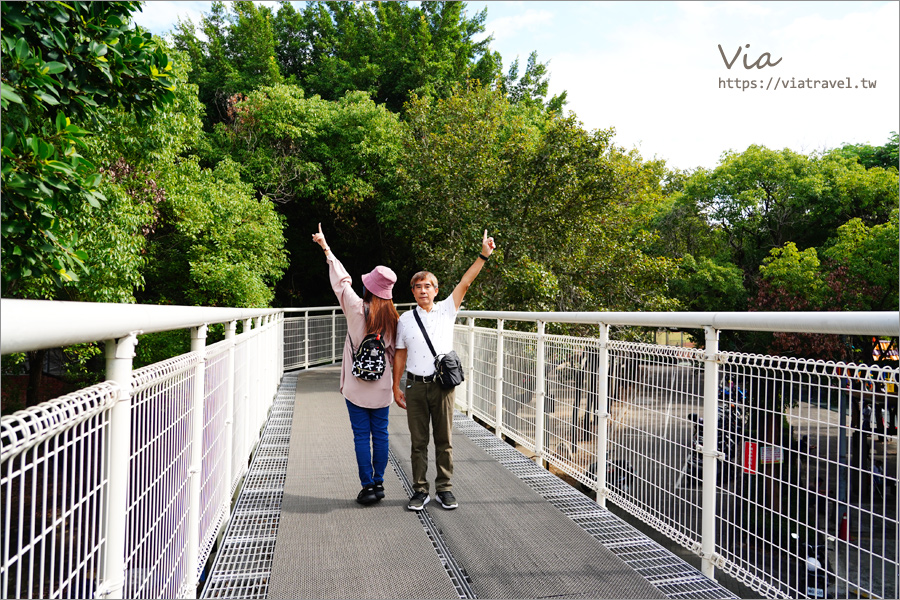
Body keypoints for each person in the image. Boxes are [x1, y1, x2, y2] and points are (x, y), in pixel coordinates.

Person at [392, 230, 497, 511]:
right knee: (418, 442)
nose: (423, 290)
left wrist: (483, 254)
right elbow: (400, 355)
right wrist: (395, 386)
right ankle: (420, 490)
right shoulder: (405, 320)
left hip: (441, 387)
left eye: (428, 286)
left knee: (444, 440)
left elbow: (466, 281)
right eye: (418, 286)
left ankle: (445, 488)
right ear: (412, 291)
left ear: (436, 291)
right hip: (414, 386)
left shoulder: (446, 310)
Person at [312, 224, 400, 505]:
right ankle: (380, 481)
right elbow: (398, 353)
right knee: (381, 433)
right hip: (382, 385)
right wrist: (397, 385)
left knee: (361, 436)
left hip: (356, 384)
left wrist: (325, 247)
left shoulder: (353, 305)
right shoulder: (394, 319)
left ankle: (368, 486)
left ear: (368, 287)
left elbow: (341, 280)